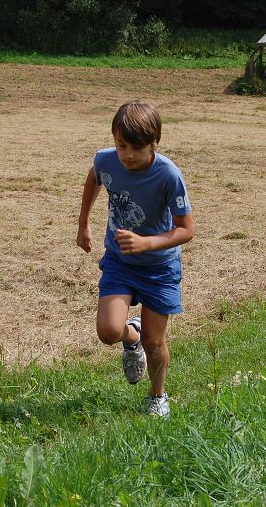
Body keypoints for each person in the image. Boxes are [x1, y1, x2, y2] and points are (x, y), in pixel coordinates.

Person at [76, 100, 195, 418]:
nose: (127, 155)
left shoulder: (169, 175)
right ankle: (132, 334)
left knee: (154, 343)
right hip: (120, 262)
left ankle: (157, 396)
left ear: (154, 142)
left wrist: (146, 243)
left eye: (137, 148)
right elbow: (95, 177)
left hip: (159, 267)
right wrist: (84, 223)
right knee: (108, 331)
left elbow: (187, 230)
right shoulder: (106, 159)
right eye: (121, 145)